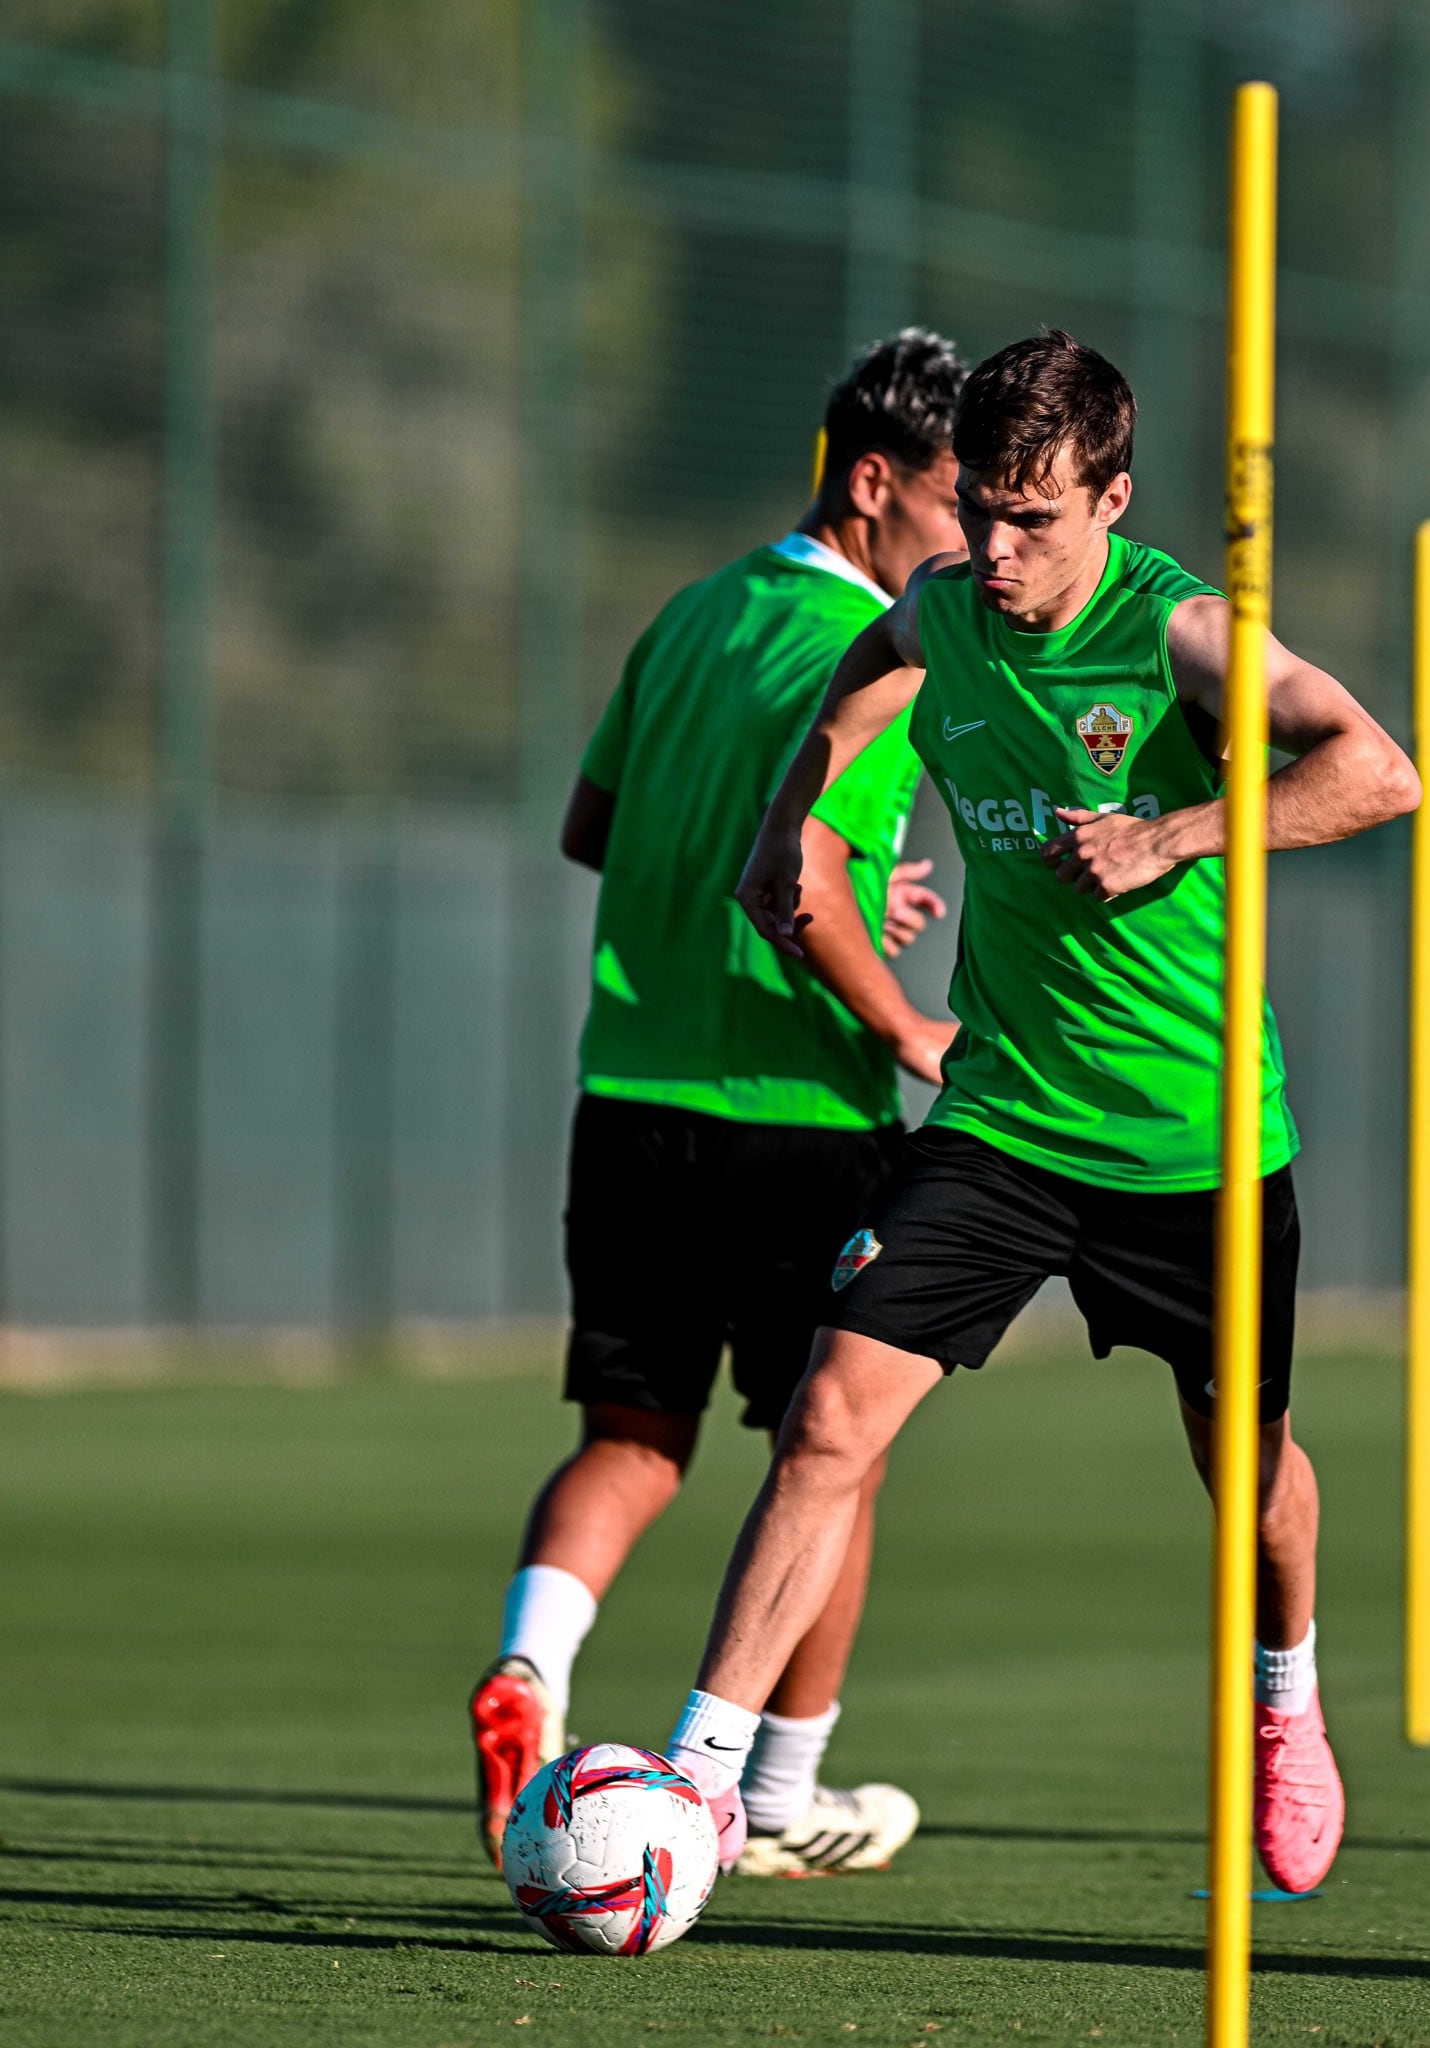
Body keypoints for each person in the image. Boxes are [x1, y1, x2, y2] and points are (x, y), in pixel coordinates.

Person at [661, 330, 1420, 1896]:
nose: (996, 553)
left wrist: (1180, 833)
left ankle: (1288, 1698)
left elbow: (1381, 773)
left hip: (1190, 1147)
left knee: (1251, 1476)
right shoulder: (944, 606)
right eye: (984, 514)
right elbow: (860, 684)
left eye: (1037, 522)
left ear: (1114, 501)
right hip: (1004, 1121)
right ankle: (697, 1787)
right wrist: (783, 822)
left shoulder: (1190, 637)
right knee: (824, 1419)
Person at [470, 329, 968, 1878]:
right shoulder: (875, 661)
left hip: (629, 1093)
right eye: (961, 504)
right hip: (796, 1112)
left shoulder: (691, 614)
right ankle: (775, 1794)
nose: (975, 542)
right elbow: (805, 879)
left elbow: (589, 827)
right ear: (872, 484)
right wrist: (907, 1024)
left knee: (632, 1438)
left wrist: (814, 890)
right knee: (837, 1455)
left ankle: (530, 1672)